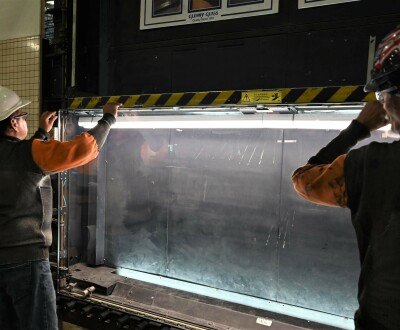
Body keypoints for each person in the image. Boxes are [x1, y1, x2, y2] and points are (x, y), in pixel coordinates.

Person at [292, 25, 400, 330]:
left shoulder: (374, 166)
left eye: (382, 93)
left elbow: (305, 180)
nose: (382, 103)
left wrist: (358, 128)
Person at [0, 85, 121, 330]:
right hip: (26, 263)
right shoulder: (29, 153)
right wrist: (108, 118)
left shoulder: (21, 151)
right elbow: (82, 150)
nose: (24, 120)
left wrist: (42, 134)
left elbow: (24, 163)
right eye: (22, 116)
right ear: (14, 123)